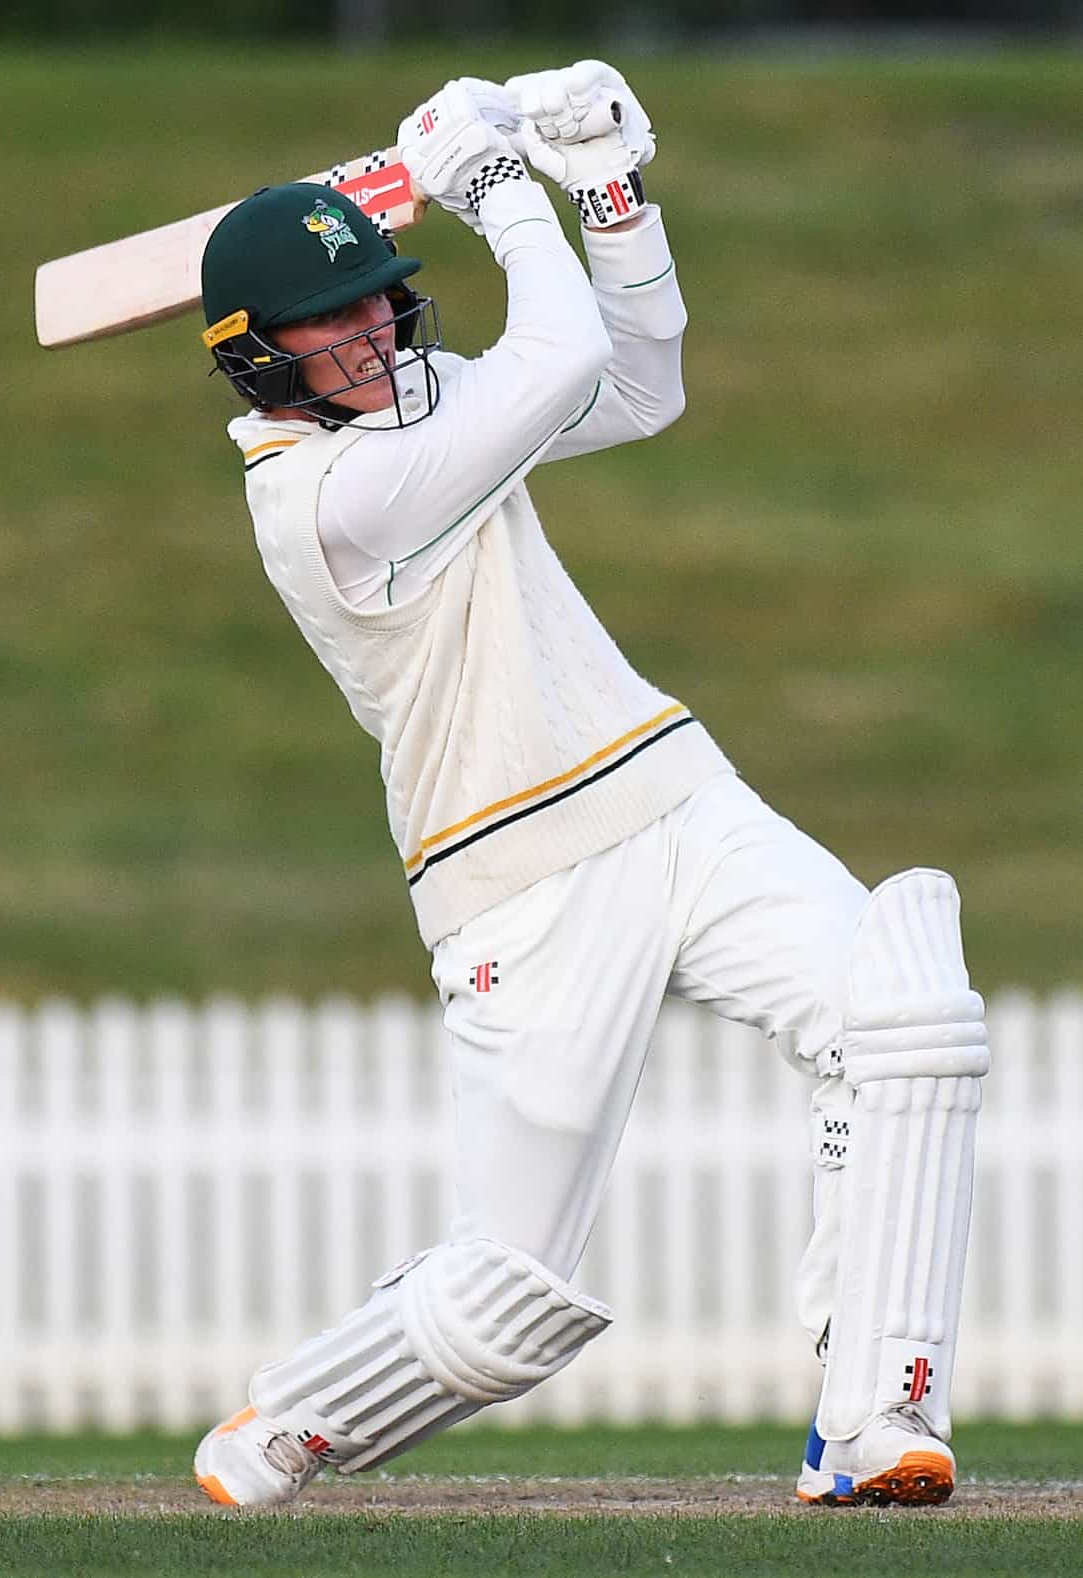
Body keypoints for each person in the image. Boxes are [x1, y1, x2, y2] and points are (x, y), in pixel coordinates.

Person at [191, 64, 989, 1509]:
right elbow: (554, 366)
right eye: (337, 313)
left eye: (381, 294)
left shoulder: (420, 416)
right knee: (509, 1303)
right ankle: (287, 1420)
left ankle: (874, 1415)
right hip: (520, 877)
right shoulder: (332, 501)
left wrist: (612, 200)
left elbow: (633, 379)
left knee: (907, 1013)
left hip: (672, 789)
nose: (377, 325)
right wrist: (502, 190)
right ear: (260, 355)